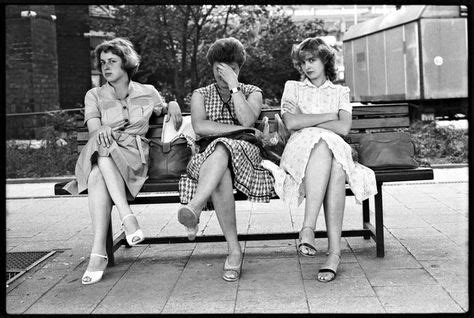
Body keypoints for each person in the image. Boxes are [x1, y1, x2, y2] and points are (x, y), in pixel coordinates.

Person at [63, 38, 182, 285]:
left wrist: (172, 103)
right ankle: (127, 220)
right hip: (102, 149)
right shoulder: (93, 95)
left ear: (125, 63)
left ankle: (99, 254)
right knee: (103, 146)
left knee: (98, 175)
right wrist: (104, 130)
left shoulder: (147, 92)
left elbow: (162, 109)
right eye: (103, 62)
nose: (106, 67)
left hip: (134, 156)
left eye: (112, 61)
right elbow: (95, 131)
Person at [261, 37, 377, 282]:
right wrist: (328, 116)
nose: (307, 66)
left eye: (312, 60)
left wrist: (309, 118)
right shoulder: (293, 87)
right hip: (300, 152)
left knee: (334, 162)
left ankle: (314, 235)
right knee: (324, 143)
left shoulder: (340, 91)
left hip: (335, 149)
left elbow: (344, 128)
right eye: (303, 62)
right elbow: (292, 123)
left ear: (325, 60)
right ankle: (328, 247)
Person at [177, 37, 275, 282]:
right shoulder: (201, 94)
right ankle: (234, 250)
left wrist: (234, 87)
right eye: (217, 69)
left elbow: (246, 121)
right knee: (221, 165)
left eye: (228, 69)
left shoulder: (252, 92)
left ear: (237, 68)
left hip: (246, 156)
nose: (221, 74)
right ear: (211, 68)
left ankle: (195, 207)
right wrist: (235, 131)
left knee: (222, 146)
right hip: (209, 161)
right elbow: (200, 126)